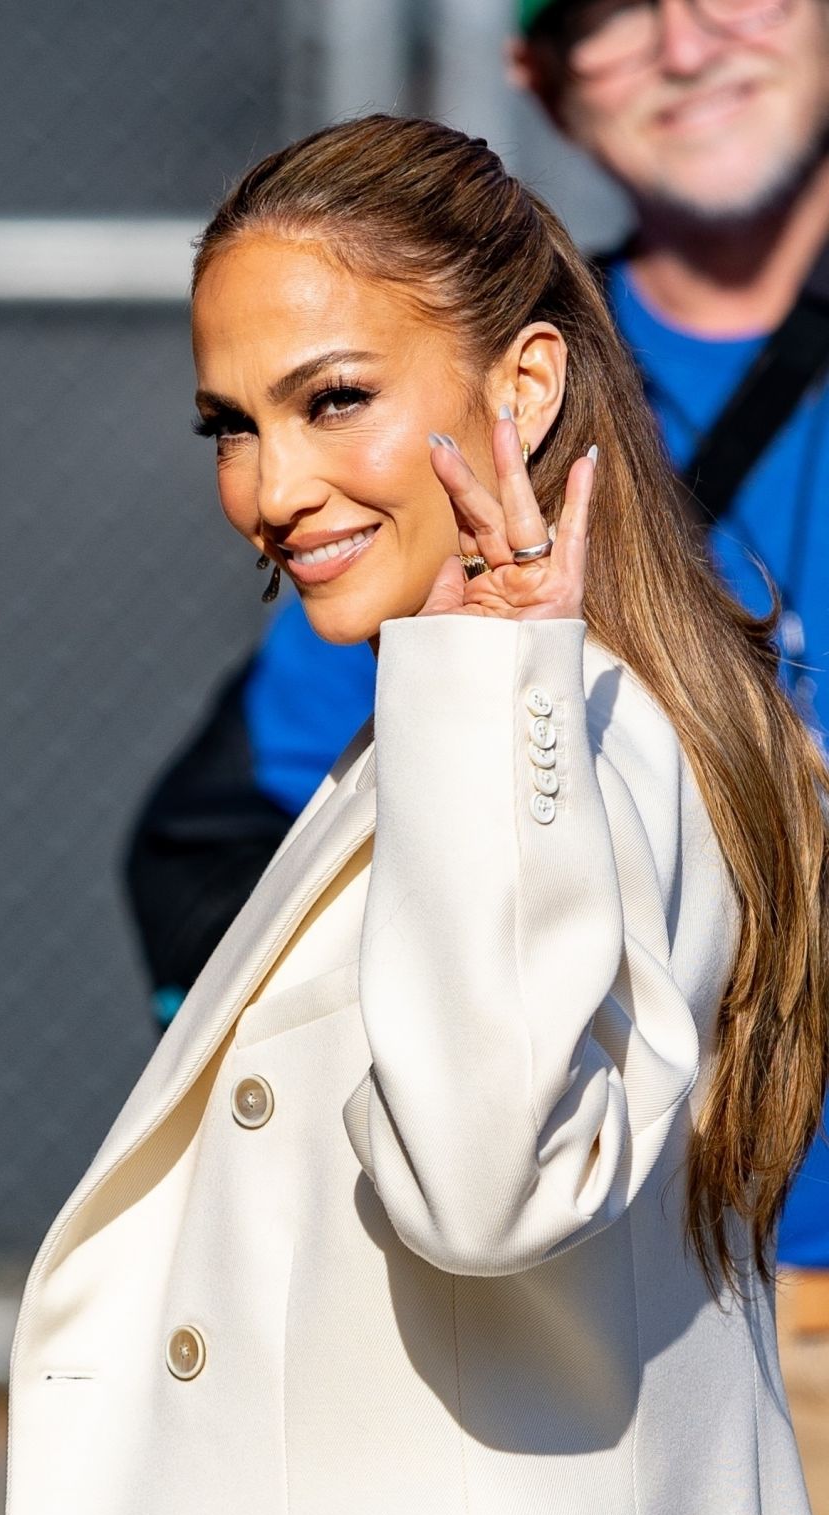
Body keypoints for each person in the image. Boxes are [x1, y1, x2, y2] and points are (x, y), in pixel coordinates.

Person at [4, 115, 829, 1515]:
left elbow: (482, 1186)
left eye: (335, 400)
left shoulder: (580, 736)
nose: (270, 486)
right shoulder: (494, 725)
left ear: (523, 384)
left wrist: (485, 679)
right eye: (231, 425)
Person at [126, 0, 829, 1268]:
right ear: (540, 74)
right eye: (612, 12)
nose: (686, 43)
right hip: (643, 1287)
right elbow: (231, 849)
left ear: (536, 385)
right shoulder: (430, 436)